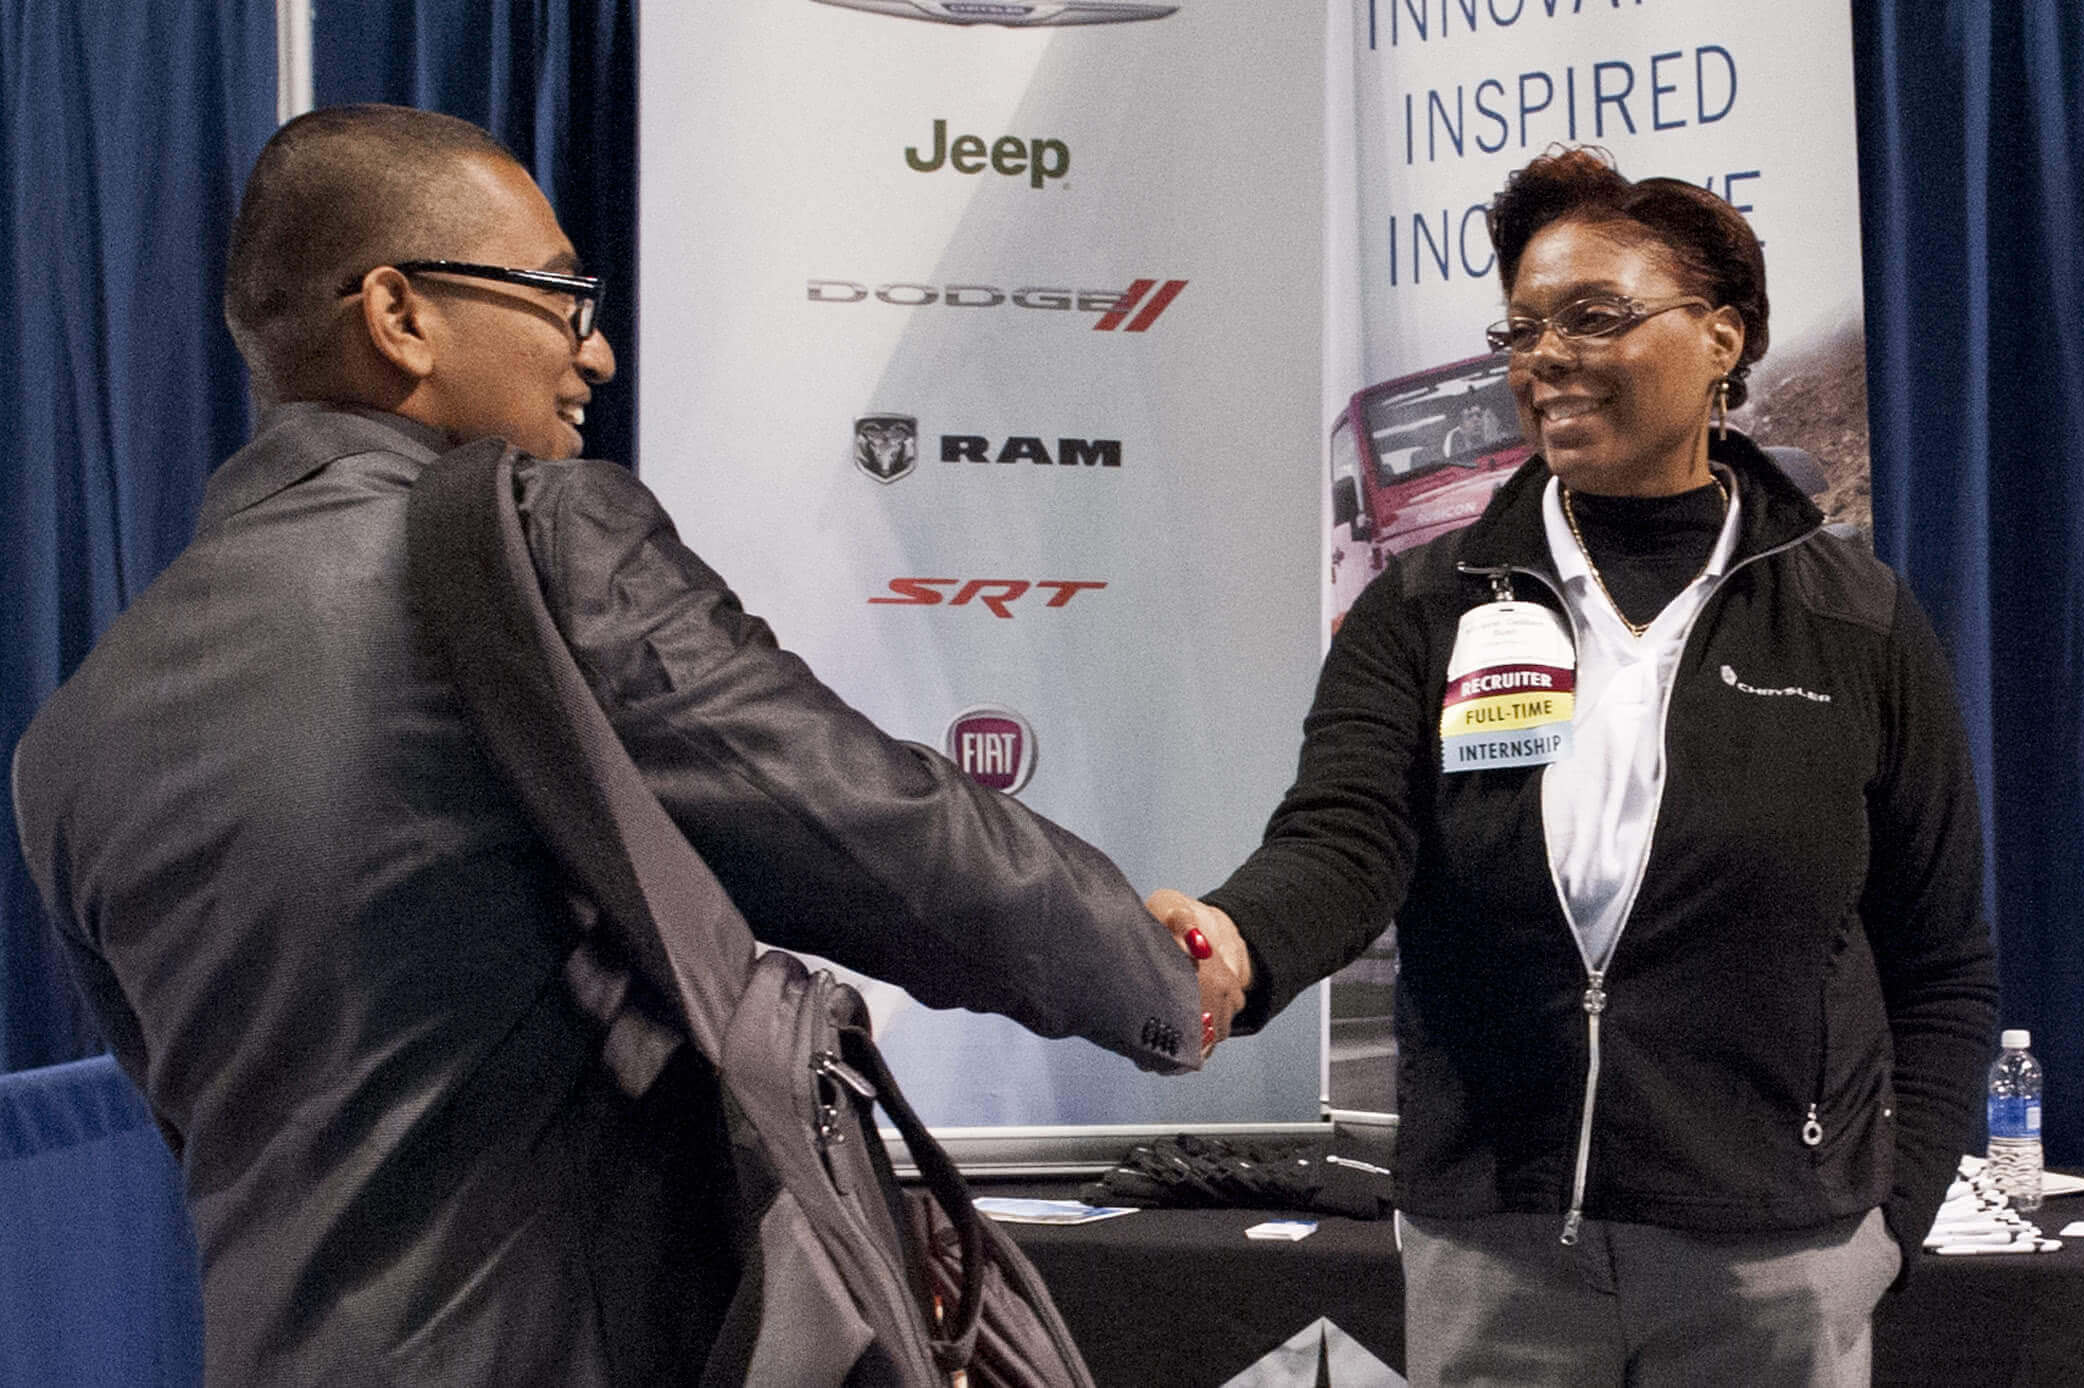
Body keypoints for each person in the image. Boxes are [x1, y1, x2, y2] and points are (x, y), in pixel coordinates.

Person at [10, 104, 1240, 1385]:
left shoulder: (72, 738)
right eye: (555, 293)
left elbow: (193, 1116)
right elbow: (856, 820)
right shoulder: (531, 544)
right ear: (400, 315)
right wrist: (1152, 969)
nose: (591, 350)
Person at [1151, 147, 1997, 1384]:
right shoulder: (1427, 605)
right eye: (1524, 327)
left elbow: (1944, 960)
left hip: (1774, 1262)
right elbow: (1343, 836)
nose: (1545, 355)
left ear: (1722, 340)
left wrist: (1884, 1227)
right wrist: (1236, 940)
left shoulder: (1854, 621)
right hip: (1497, 1250)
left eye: (1596, 317)